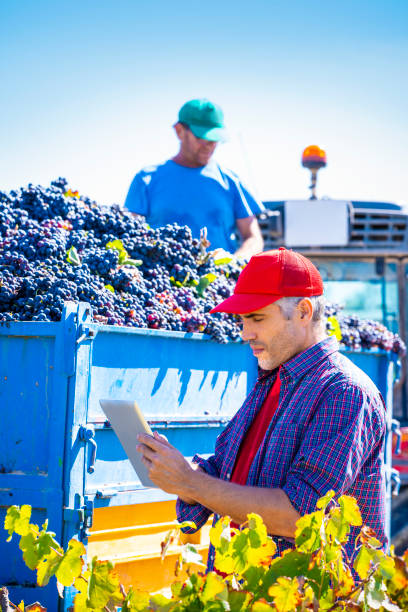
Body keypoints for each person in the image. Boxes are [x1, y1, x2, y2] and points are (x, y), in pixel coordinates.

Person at [136, 247, 386, 570]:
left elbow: (300, 517)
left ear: (303, 311)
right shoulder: (271, 381)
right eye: (242, 320)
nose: (245, 333)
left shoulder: (344, 392)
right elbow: (225, 476)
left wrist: (190, 482)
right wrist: (175, 470)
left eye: (257, 318)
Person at [124, 98, 265, 258]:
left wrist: (233, 263)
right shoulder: (146, 180)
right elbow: (130, 237)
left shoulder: (231, 181)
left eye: (214, 139)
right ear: (179, 131)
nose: (210, 145)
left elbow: (253, 238)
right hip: (162, 280)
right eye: (201, 138)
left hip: (221, 280)